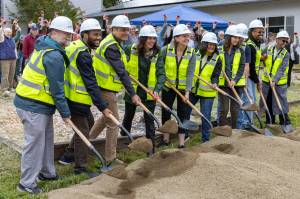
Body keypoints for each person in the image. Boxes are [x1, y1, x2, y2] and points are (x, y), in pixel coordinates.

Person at [14, 16, 74, 194]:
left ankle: (47, 173)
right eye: (65, 34)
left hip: (38, 102)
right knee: (34, 144)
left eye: (70, 34)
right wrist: (65, 113)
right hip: (32, 104)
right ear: (54, 32)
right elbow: (57, 89)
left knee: (47, 139)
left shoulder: (44, 44)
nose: (69, 37)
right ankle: (26, 184)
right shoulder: (53, 55)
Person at [58, 19, 113, 174]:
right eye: (95, 34)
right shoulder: (83, 54)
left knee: (89, 122)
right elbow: (90, 82)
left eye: (100, 34)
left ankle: (68, 155)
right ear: (84, 35)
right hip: (76, 98)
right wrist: (103, 106)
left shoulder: (77, 47)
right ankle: (80, 167)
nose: (98, 37)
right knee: (83, 131)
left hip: (72, 95)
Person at [89, 15, 141, 164]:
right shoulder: (111, 46)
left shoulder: (115, 43)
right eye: (122, 30)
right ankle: (110, 159)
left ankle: (87, 142)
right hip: (104, 88)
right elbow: (121, 72)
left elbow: (121, 69)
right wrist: (133, 94)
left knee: (106, 117)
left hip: (106, 87)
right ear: (114, 29)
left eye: (127, 29)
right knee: (114, 123)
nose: (126, 32)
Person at [121, 25, 165, 155]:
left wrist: (157, 89)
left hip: (149, 93)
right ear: (142, 39)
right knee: (128, 117)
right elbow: (121, 64)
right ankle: (124, 143)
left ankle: (150, 149)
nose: (152, 41)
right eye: (149, 38)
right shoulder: (130, 49)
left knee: (149, 120)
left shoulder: (158, 53)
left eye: (154, 38)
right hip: (133, 91)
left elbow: (161, 74)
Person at [157, 24, 196, 148]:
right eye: (184, 36)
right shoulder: (165, 50)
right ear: (176, 38)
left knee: (183, 114)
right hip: (168, 87)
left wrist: (187, 92)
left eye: (188, 36)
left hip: (183, 89)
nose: (187, 38)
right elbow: (160, 68)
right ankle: (166, 139)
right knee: (166, 112)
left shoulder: (191, 52)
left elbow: (190, 73)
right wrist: (163, 80)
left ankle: (181, 142)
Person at [188, 32, 221, 142]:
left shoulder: (217, 59)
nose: (211, 46)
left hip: (207, 92)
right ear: (204, 44)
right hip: (193, 89)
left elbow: (216, 74)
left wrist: (215, 83)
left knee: (205, 116)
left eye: (213, 44)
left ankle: (205, 139)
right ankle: (185, 133)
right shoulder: (196, 53)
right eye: (209, 44)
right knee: (185, 111)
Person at [261, 30, 291, 126]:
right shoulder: (268, 48)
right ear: (277, 40)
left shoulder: (286, 54)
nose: (285, 43)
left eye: (286, 41)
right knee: (268, 102)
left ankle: (285, 122)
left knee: (281, 102)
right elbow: (261, 57)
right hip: (266, 81)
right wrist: (262, 58)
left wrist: (274, 80)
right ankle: (270, 122)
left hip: (280, 83)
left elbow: (282, 69)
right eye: (283, 40)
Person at [218, 25, 245, 129]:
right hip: (223, 84)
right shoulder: (219, 49)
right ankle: (222, 130)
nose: (236, 40)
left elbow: (241, 67)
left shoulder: (240, 51)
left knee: (235, 109)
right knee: (224, 109)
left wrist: (235, 80)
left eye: (238, 38)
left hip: (236, 85)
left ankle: (234, 131)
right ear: (228, 37)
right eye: (234, 37)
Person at [236, 23, 253, 129]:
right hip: (230, 79)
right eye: (240, 38)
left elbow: (247, 65)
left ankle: (244, 124)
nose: (242, 40)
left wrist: (245, 80)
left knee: (245, 100)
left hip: (241, 78)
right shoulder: (230, 46)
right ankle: (237, 125)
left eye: (243, 38)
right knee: (236, 103)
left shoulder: (246, 48)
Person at [0, 21, 21, 93]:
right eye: (7, 32)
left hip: (13, 59)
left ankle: (10, 87)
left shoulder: (12, 39)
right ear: (4, 33)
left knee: (11, 74)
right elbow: (0, 32)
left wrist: (17, 26)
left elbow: (18, 34)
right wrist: (1, 25)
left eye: (10, 32)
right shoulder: (2, 39)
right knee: (5, 74)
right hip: (5, 60)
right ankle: (4, 89)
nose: (9, 33)